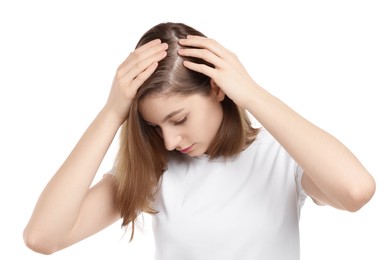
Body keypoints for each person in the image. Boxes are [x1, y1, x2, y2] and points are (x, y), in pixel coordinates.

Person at [23, 22, 376, 259]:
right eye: (155, 126)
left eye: (179, 119)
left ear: (218, 88)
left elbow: (356, 190)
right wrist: (111, 114)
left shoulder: (280, 156)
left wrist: (251, 92)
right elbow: (43, 237)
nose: (171, 141)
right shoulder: (154, 170)